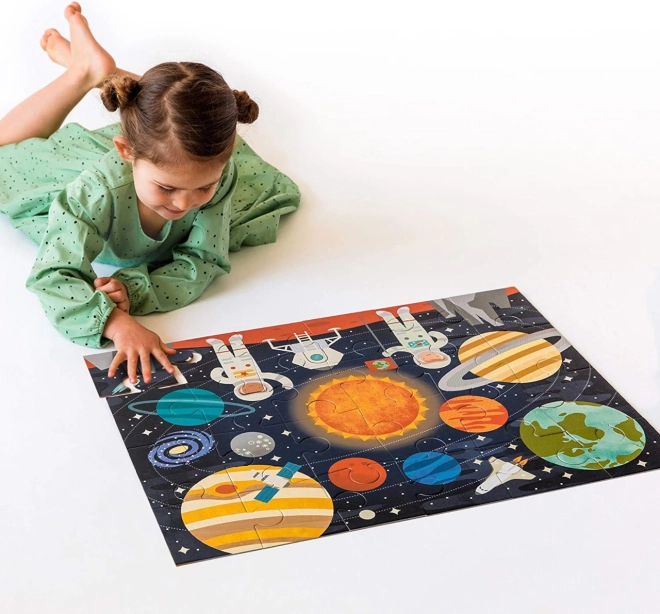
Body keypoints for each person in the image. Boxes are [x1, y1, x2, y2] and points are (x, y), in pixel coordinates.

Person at [0, 3, 301, 385]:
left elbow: (203, 260)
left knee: (177, 122)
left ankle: (105, 76)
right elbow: (53, 274)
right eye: (166, 188)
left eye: (204, 187)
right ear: (126, 151)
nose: (184, 204)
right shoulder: (95, 191)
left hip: (163, 149)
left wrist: (133, 289)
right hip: (98, 170)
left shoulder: (218, 171)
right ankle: (84, 72)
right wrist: (115, 323)